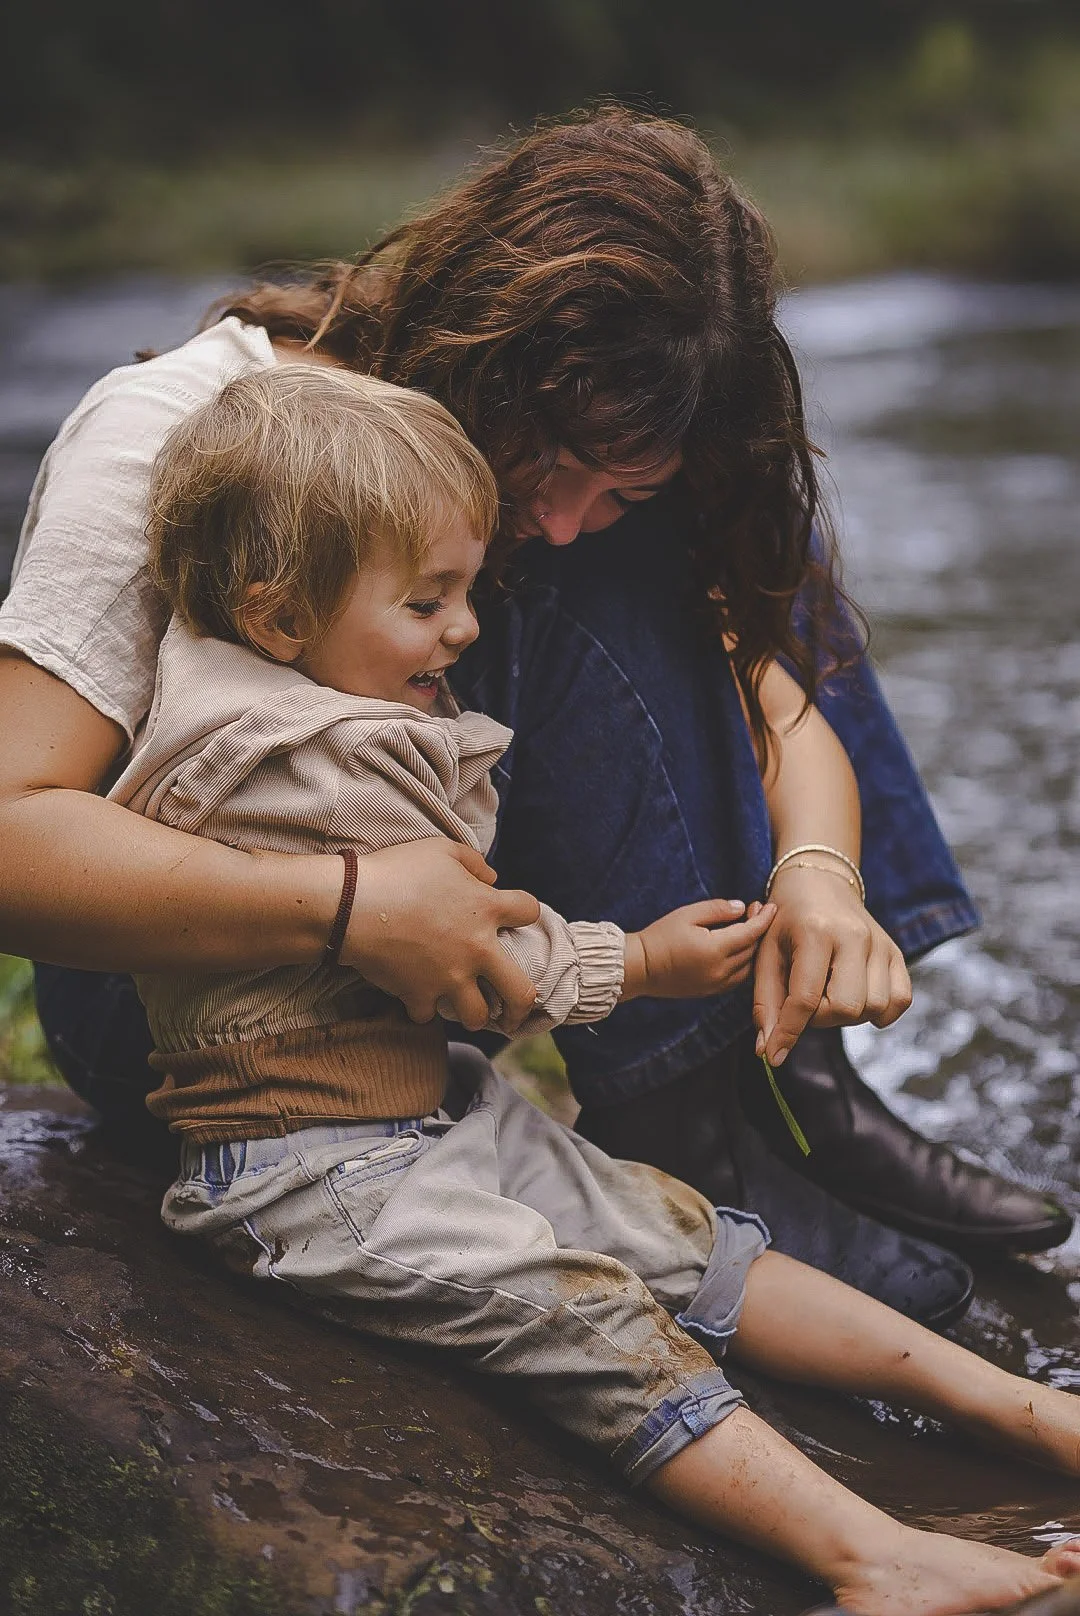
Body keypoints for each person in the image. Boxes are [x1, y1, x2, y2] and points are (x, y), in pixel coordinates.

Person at [0, 110, 1068, 1336]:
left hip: (442, 974)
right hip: (216, 1019)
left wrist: (822, 874)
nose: (560, 513)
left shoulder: (594, 464)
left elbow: (781, 689)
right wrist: (346, 903)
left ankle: (800, 1084)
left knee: (718, 529)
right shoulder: (175, 426)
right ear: (482, 340)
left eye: (608, 481)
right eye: (551, 452)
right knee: (584, 568)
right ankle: (692, 1140)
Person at [111, 363, 1080, 1616]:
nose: (467, 629)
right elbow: (478, 973)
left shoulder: (255, 668)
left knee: (680, 1233)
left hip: (433, 1115)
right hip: (312, 1174)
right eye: (430, 600)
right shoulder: (311, 760)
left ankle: (1025, 1408)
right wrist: (648, 961)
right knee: (598, 1312)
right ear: (279, 616)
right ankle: (870, 1552)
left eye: (464, 589)